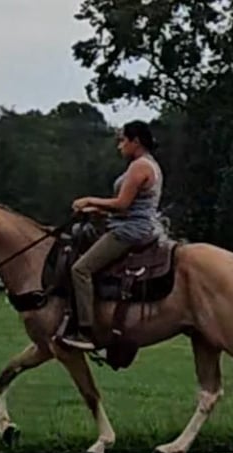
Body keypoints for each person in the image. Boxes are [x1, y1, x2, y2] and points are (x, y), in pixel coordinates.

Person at [60, 120, 165, 350]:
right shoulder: (146, 164)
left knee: (80, 269)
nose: (119, 146)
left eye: (122, 140)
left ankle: (85, 331)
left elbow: (122, 204)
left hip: (130, 230)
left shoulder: (140, 167)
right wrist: (95, 210)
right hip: (131, 224)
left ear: (135, 141)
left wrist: (90, 200)